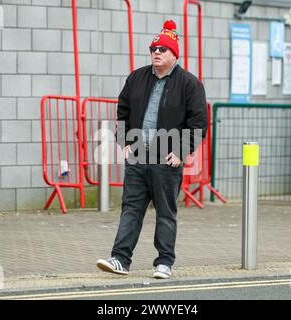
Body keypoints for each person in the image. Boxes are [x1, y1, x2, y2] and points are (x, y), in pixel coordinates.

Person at [96, 20, 207, 279]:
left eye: (163, 49)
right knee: (131, 209)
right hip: (137, 158)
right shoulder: (137, 77)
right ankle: (120, 259)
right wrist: (124, 140)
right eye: (154, 49)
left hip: (166, 161)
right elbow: (122, 109)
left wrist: (181, 150)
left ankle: (164, 262)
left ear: (174, 55)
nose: (156, 52)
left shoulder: (189, 84)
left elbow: (199, 122)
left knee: (165, 213)